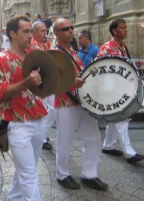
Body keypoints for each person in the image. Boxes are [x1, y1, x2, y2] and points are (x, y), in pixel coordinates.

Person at [0, 15, 48, 200]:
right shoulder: (0, 59)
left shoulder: (34, 54)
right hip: (18, 124)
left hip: (39, 120)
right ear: (12, 34)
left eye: (32, 31)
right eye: (26, 31)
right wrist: (26, 82)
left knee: (25, 171)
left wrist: (70, 81)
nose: (31, 35)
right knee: (29, 174)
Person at [53, 17, 108, 191]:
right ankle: (62, 175)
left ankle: (89, 174)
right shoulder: (53, 53)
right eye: (65, 29)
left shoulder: (73, 50)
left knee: (93, 137)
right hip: (65, 101)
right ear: (56, 33)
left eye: (71, 27)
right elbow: (51, 81)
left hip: (83, 100)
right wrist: (71, 83)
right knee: (64, 140)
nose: (70, 31)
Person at [98, 19, 144, 163]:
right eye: (123, 28)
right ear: (114, 31)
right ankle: (129, 152)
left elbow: (123, 63)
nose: (126, 30)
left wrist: (134, 63)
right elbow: (99, 68)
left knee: (115, 119)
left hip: (122, 87)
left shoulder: (123, 47)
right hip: (112, 88)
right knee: (122, 118)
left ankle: (108, 145)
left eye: (126, 27)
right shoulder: (106, 47)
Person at [28, 21, 55, 150]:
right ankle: (41, 136)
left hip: (48, 81)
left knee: (52, 109)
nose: (46, 33)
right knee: (45, 109)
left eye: (46, 30)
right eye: (43, 31)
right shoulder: (32, 45)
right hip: (39, 83)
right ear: (34, 33)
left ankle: (42, 133)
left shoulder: (43, 44)